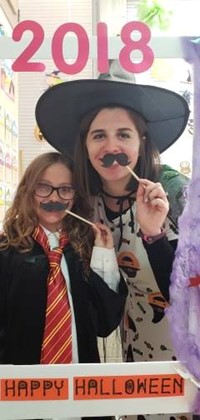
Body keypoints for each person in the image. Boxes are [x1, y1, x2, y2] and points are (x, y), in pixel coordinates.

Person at [35, 62, 191, 419]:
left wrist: (153, 235)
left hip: (184, 354)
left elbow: (188, 291)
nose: (111, 147)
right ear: (86, 145)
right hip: (132, 351)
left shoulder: (175, 194)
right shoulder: (85, 204)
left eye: (123, 134)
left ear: (141, 141)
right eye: (98, 135)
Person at [0, 151, 127, 420]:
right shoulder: (6, 251)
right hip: (21, 392)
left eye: (65, 189)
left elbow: (104, 323)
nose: (54, 198)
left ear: (75, 196)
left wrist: (104, 254)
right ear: (27, 191)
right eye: (43, 187)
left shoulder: (84, 249)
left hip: (81, 391)